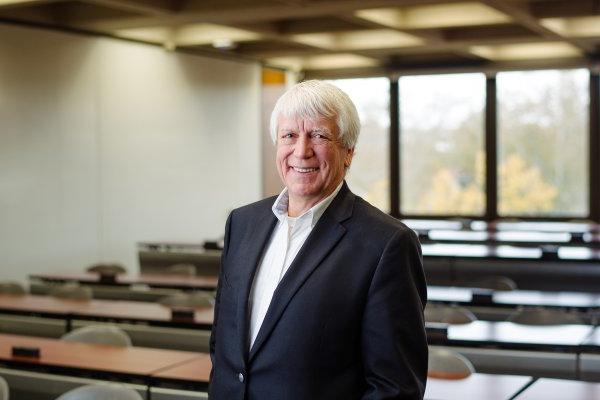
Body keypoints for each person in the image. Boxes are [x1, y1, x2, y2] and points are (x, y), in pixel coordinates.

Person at [209, 80, 427, 399]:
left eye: (319, 135)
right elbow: (224, 344)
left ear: (348, 151)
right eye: (289, 136)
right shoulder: (241, 223)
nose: (302, 151)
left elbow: (395, 388)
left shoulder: (387, 244)